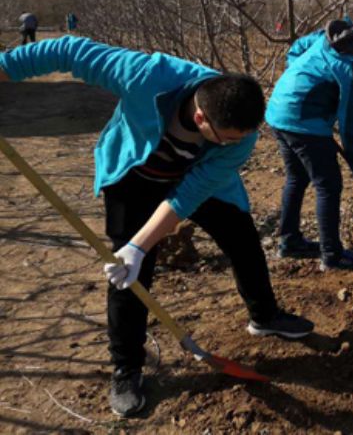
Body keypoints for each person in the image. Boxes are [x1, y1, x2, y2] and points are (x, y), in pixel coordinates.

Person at [0, 36, 314, 417]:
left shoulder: (240, 138)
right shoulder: (145, 75)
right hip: (134, 177)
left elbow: (185, 198)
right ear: (202, 119)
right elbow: (68, 50)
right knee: (128, 273)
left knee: (242, 239)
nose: (239, 144)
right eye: (229, 138)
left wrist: (143, 241)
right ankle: (126, 369)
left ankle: (264, 316)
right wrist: (6, 68)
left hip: (190, 179)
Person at [265, 10, 353, 270]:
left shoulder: (337, 36)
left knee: (297, 177)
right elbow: (352, 124)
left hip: (279, 108)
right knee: (328, 184)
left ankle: (290, 241)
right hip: (303, 119)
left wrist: (298, 79)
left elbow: (298, 48)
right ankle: (332, 256)